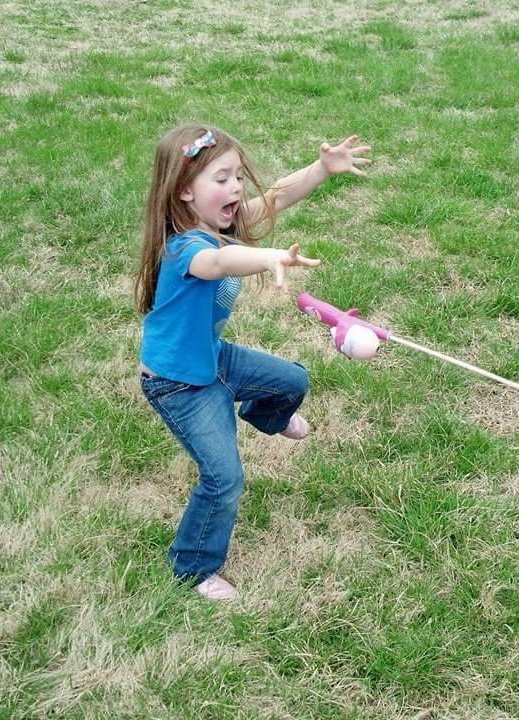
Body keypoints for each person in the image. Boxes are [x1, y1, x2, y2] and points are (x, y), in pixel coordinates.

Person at [133, 124, 371, 600]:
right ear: (184, 190)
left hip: (212, 359)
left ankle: (269, 416)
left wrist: (322, 168)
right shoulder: (187, 250)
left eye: (238, 176)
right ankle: (193, 567)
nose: (236, 189)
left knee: (292, 380)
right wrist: (265, 256)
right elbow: (220, 265)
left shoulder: (221, 227)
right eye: (221, 179)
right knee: (224, 479)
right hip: (178, 384)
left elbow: (279, 196)